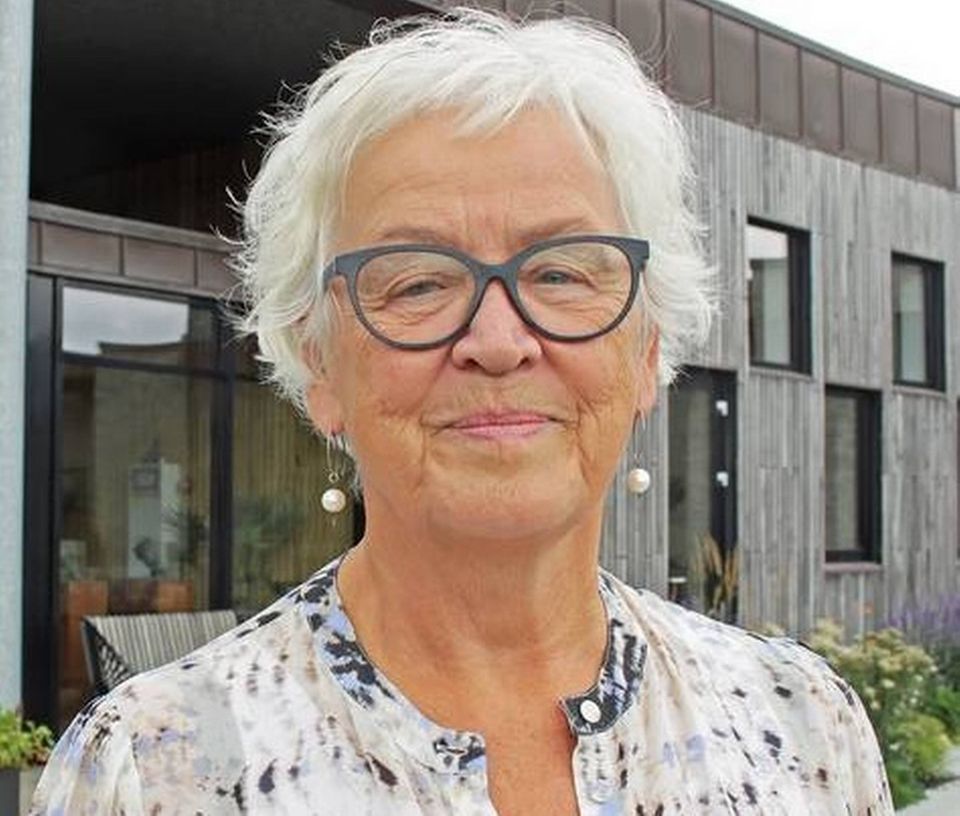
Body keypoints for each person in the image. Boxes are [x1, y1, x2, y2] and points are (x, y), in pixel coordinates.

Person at [32, 8, 892, 815]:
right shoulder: (151, 770)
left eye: (560, 272)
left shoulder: (802, 728)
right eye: (418, 283)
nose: (498, 341)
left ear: (646, 348)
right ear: (318, 363)